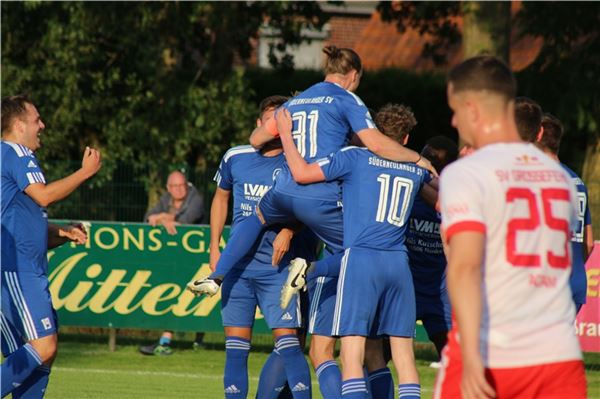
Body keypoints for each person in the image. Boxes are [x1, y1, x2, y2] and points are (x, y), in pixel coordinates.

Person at [188, 46, 435, 398]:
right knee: (354, 253)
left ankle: (217, 275)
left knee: (257, 216)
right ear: (353, 75)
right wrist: (417, 161)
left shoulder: (296, 101)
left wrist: (284, 135)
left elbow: (256, 138)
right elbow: (375, 142)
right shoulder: (348, 102)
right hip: (322, 193)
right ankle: (312, 269)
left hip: (285, 186)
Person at [435, 56, 586, 398]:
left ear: (473, 107)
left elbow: (466, 266)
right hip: (558, 356)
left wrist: (471, 356)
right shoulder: (561, 180)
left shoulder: (467, 171)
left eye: (455, 108)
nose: (454, 119)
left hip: (493, 349)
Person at [274, 104, 429, 399]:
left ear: (372, 134)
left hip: (361, 260)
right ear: (406, 139)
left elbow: (302, 173)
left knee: (351, 353)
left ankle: (309, 268)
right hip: (399, 262)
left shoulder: (355, 158)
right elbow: (441, 200)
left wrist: (285, 134)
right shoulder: (416, 169)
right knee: (404, 357)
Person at [207, 95, 319, 398]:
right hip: (238, 271)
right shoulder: (236, 156)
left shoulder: (297, 163)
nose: (273, 130)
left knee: (290, 347)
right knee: (235, 351)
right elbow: (220, 198)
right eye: (269, 123)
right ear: (260, 124)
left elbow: (313, 207)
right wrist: (214, 246)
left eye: (279, 125)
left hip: (277, 270)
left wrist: (289, 229)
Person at [1, 94, 102, 398]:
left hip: (20, 268)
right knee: (44, 346)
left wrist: (62, 233)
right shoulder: (16, 153)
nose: (42, 125)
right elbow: (44, 196)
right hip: (16, 271)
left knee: (37, 355)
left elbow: (25, 226)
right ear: (19, 126)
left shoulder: (10, 157)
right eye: (36, 120)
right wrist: (84, 172)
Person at [139, 170, 205, 355]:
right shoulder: (165, 199)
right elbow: (147, 218)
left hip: (198, 257)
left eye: (181, 185)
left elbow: (187, 220)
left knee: (199, 298)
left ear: (187, 184)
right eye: (174, 186)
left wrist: (162, 218)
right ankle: (167, 340)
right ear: (168, 188)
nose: (178, 190)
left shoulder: (196, 198)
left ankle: (198, 340)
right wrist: (163, 218)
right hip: (172, 259)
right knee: (175, 298)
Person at [405, 135, 457, 359]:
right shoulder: (406, 191)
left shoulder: (457, 196)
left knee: (452, 358)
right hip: (408, 286)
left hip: (440, 290)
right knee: (382, 355)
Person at [537, 113, 594, 314]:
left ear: (537, 136)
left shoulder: (539, 179)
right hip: (575, 281)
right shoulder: (577, 182)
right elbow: (588, 242)